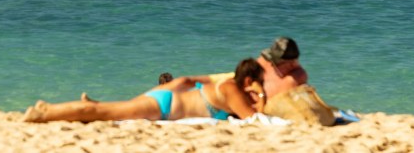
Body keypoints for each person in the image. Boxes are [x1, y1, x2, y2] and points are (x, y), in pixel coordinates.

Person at [23, 58, 265, 123]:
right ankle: (47, 112)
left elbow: (189, 80)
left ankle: (51, 110)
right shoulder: (232, 89)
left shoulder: (228, 87)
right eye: (258, 80)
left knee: (108, 110)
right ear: (250, 79)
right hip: (164, 106)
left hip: (165, 100)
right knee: (99, 112)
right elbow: (254, 119)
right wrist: (261, 94)